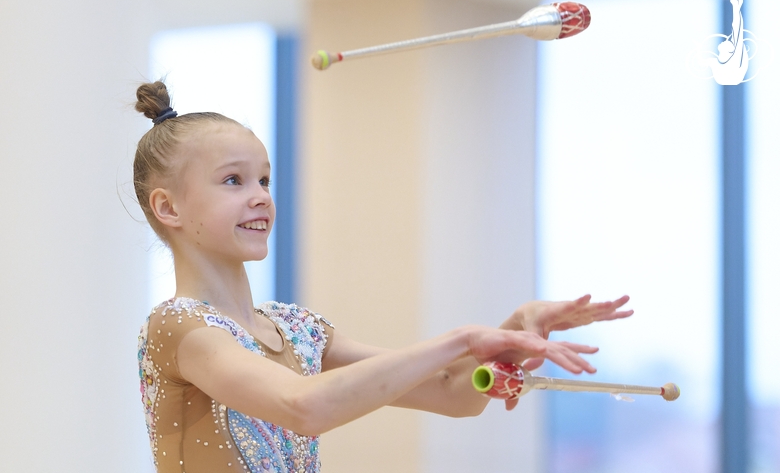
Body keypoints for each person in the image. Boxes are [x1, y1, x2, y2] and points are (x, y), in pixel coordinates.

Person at [134, 81, 632, 473]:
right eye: (232, 181)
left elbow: (449, 392)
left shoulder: (299, 329)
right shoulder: (178, 328)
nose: (261, 195)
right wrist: (464, 337)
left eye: (264, 179)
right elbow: (303, 405)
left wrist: (519, 332)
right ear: (168, 206)